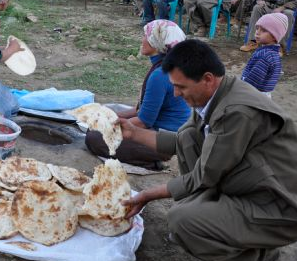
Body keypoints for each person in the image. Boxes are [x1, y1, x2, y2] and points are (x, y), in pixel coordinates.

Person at [119, 39, 297, 261]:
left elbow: (205, 174)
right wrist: (133, 134)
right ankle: (246, 239)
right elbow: (180, 143)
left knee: (183, 221)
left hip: (278, 206)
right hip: (252, 187)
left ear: (207, 80)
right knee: (189, 138)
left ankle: (259, 255)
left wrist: (147, 195)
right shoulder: (214, 97)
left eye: (181, 87)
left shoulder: (236, 112)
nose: (175, 94)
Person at [85, 20, 190, 169]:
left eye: (146, 36)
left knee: (93, 138)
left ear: (156, 42)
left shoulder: (160, 75)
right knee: (104, 115)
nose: (142, 40)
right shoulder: (165, 67)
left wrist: (106, 127)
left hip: (163, 141)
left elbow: (143, 121)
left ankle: (153, 161)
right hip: (167, 133)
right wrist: (111, 116)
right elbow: (141, 110)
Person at [241, 13, 287, 97]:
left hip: (254, 95)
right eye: (257, 28)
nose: (257, 33)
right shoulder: (273, 53)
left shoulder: (265, 55)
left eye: (264, 30)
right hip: (263, 94)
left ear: (274, 36)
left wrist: (242, 90)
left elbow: (253, 81)